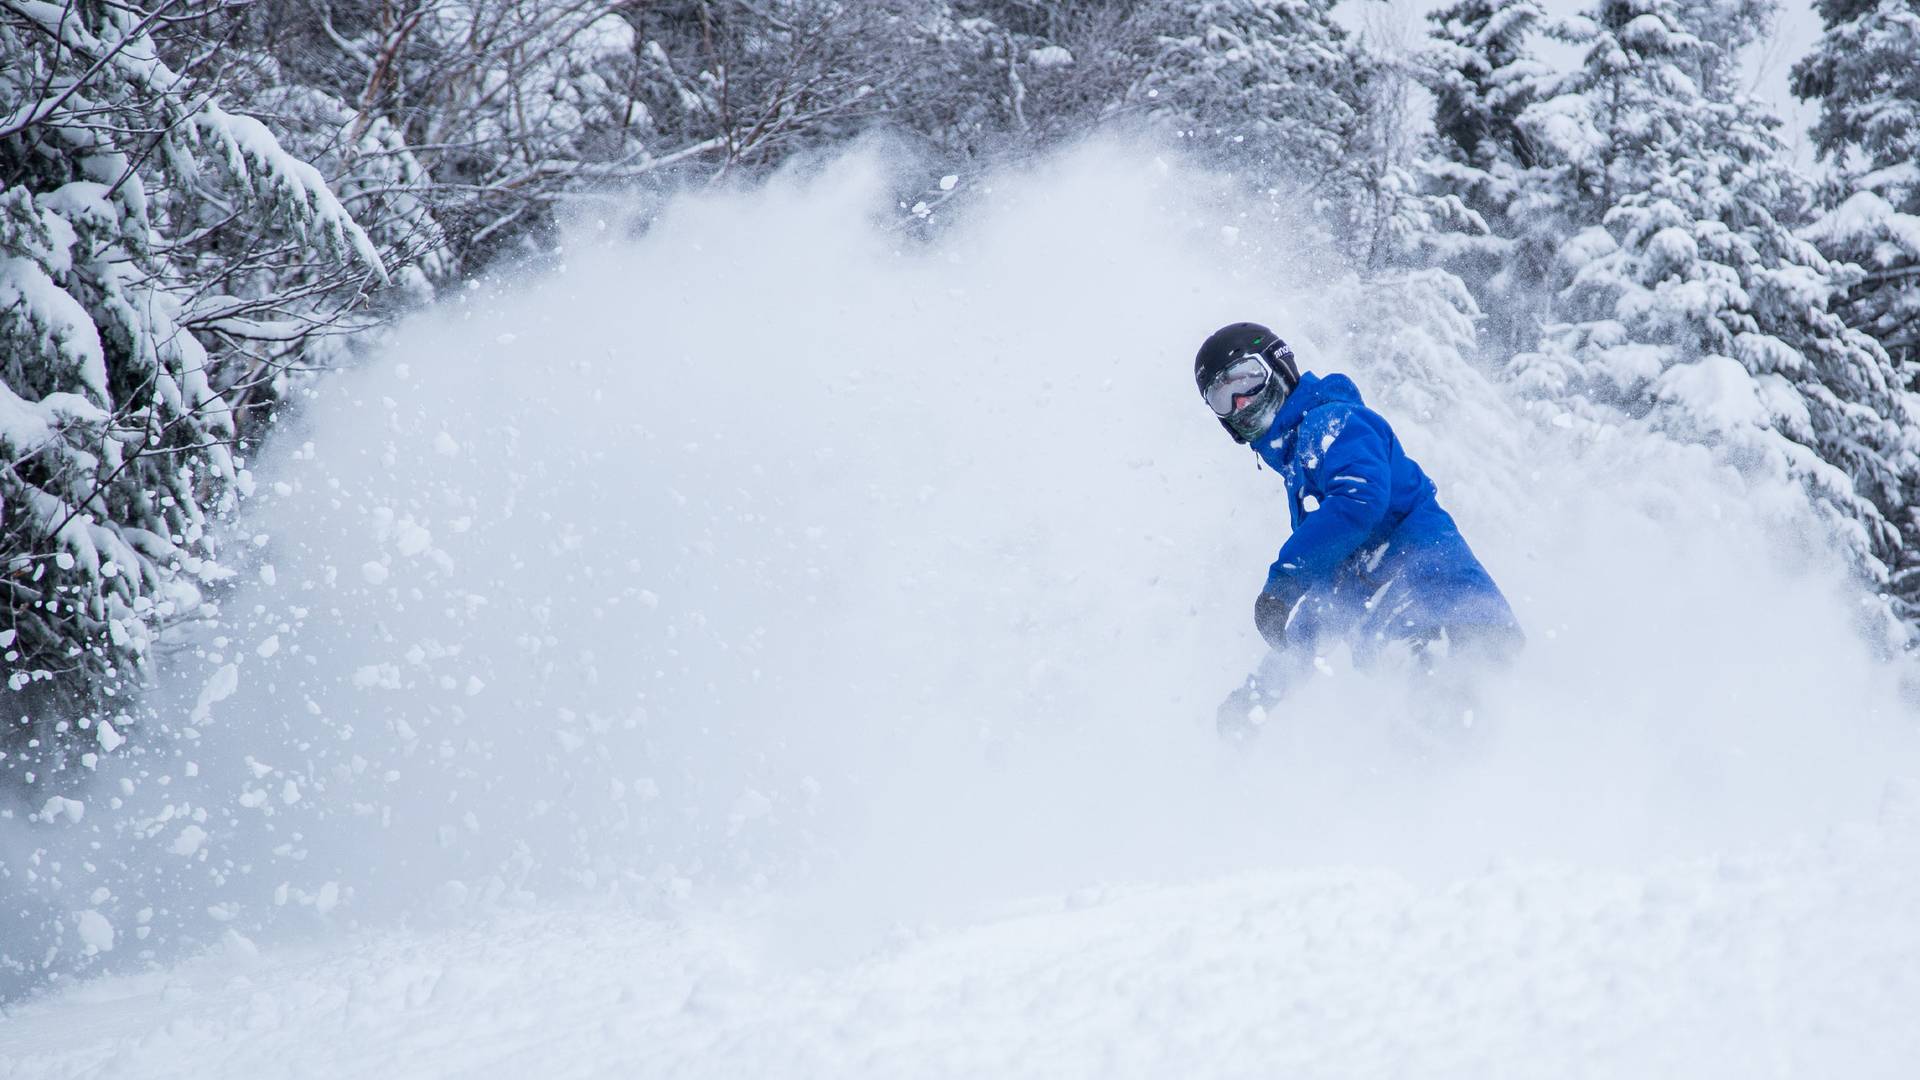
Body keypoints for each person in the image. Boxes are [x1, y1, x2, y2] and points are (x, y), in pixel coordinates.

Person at [1195, 321, 1522, 740]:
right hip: (1413, 646)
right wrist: (1258, 698)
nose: (1241, 402)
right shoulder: (1306, 477)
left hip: (1443, 619)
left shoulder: (1333, 424)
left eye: (1247, 380)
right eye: (1222, 398)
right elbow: (1330, 602)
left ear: (1278, 366)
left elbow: (1359, 501)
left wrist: (1285, 581)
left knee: (1452, 751)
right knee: (1430, 769)